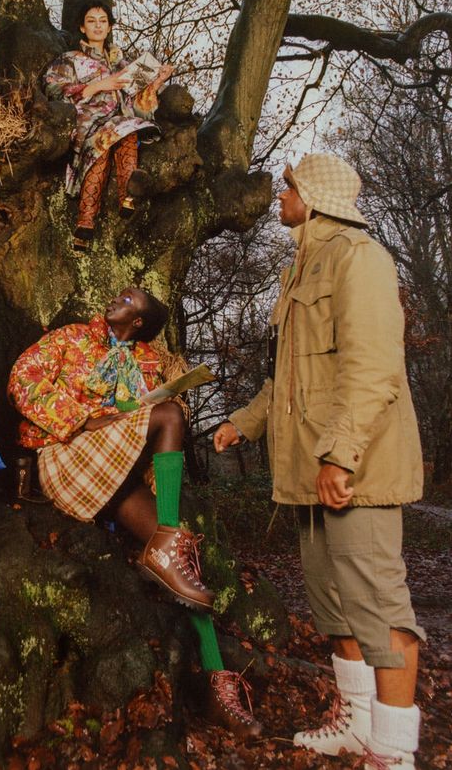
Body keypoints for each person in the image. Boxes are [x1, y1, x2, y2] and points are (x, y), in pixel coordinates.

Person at [214, 153, 425, 770]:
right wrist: (242, 423)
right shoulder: (302, 264)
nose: (280, 197)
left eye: (288, 188)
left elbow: (373, 368)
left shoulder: (360, 258)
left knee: (379, 609)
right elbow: (289, 379)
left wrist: (341, 456)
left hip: (355, 470)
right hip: (311, 469)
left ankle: (393, 753)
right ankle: (358, 726)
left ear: (314, 195)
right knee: (333, 604)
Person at [9, 286, 262, 738]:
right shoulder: (71, 339)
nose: (115, 301)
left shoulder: (149, 361)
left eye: (127, 300)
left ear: (140, 321)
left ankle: (216, 680)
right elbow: (21, 379)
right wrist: (84, 418)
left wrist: (128, 408)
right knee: (169, 417)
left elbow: (140, 421)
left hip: (116, 472)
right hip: (65, 456)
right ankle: (166, 545)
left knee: (184, 562)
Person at [44, 1, 173, 251]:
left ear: (110, 26)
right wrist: (97, 86)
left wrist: (157, 81)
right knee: (105, 142)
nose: (97, 26)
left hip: (120, 120)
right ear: (82, 27)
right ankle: (86, 221)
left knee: (127, 131)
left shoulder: (122, 61)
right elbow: (52, 88)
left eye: (103, 21)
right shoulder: (70, 59)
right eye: (91, 21)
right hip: (88, 121)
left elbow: (136, 100)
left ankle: (128, 195)